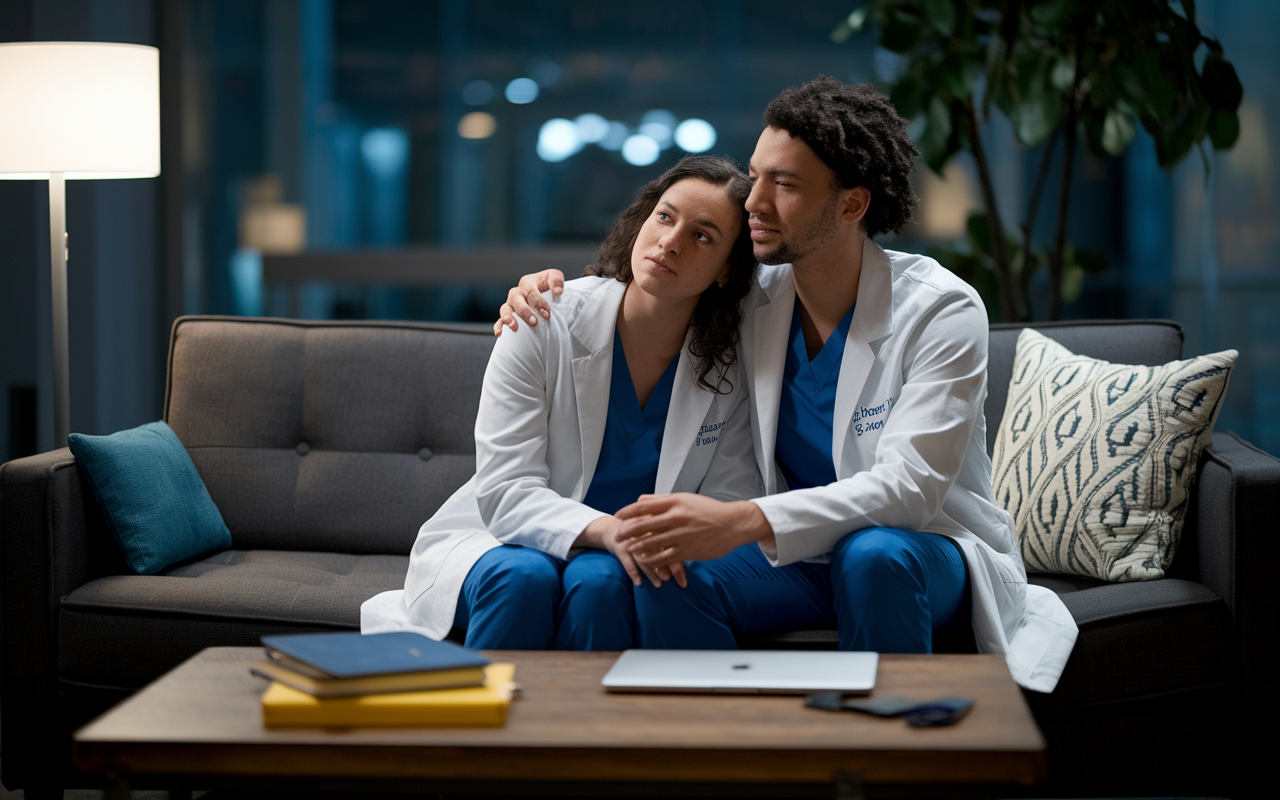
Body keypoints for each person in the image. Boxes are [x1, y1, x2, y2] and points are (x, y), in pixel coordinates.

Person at [494, 77, 1077, 691]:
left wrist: (744, 520)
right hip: (797, 558)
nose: (754, 201)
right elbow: (649, 290)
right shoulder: (754, 295)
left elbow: (907, 493)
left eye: (786, 185)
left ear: (852, 206)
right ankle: (728, 758)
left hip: (923, 551)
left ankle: (886, 765)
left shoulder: (940, 310)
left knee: (872, 555)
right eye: (756, 175)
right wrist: (539, 295)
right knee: (667, 572)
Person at [361, 155, 762, 651]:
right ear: (642, 221)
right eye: (664, 216)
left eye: (703, 235)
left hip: (625, 555)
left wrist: (634, 541)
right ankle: (483, 725)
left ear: (727, 271)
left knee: (600, 582)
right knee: (523, 579)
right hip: (503, 541)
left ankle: (586, 728)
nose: (671, 241)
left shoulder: (732, 364)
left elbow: (726, 497)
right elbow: (507, 490)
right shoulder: (543, 319)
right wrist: (610, 531)